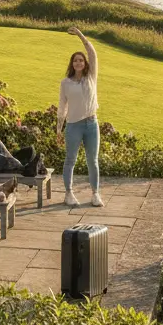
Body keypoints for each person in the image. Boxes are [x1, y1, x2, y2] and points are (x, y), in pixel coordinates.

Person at [57, 25, 103, 208]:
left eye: (81, 61)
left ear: (85, 64)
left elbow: (92, 53)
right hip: (74, 125)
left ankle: (95, 194)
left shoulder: (91, 77)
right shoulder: (65, 83)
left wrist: (80, 35)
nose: (78, 63)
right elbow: (62, 106)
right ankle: (68, 194)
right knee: (70, 160)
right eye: (75, 61)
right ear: (72, 64)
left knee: (93, 160)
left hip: (92, 124)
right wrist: (58, 129)